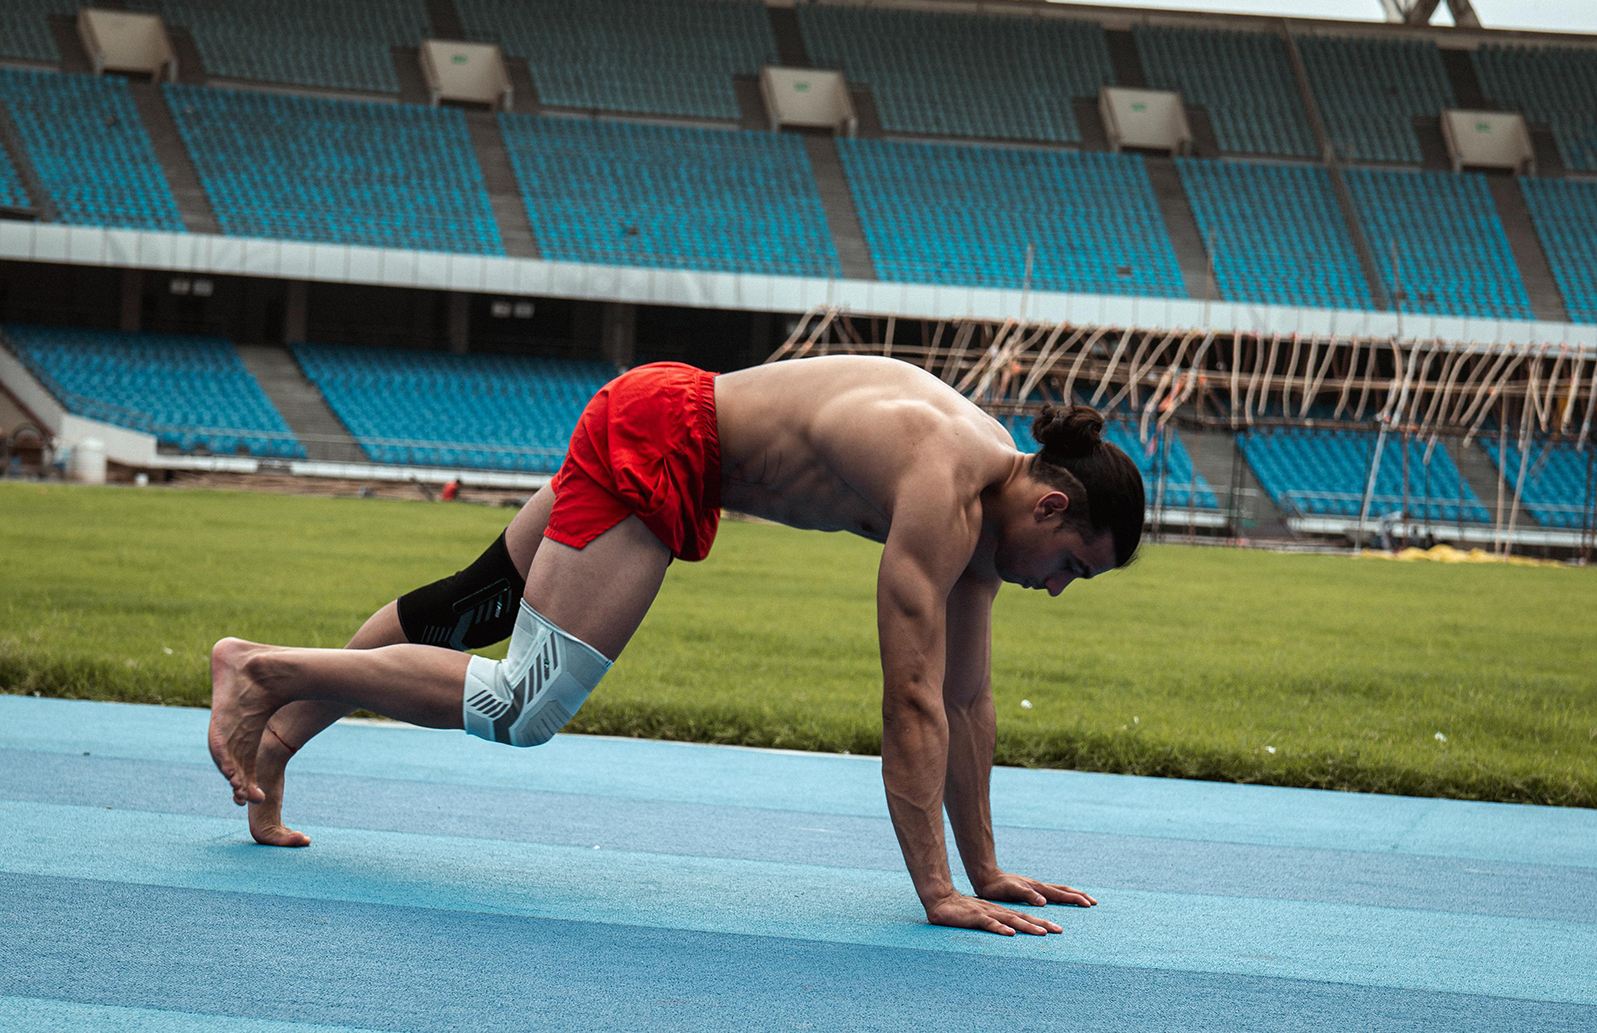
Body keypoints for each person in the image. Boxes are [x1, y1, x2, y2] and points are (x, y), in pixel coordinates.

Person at [209, 355, 1145, 937]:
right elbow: (912, 697)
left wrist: (985, 870)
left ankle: (275, 743)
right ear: (1052, 505)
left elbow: (967, 702)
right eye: (1073, 567)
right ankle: (258, 666)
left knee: (472, 605)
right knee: (522, 702)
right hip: (667, 439)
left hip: (664, 412)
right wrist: (937, 890)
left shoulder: (989, 514)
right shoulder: (943, 487)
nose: (1057, 589)